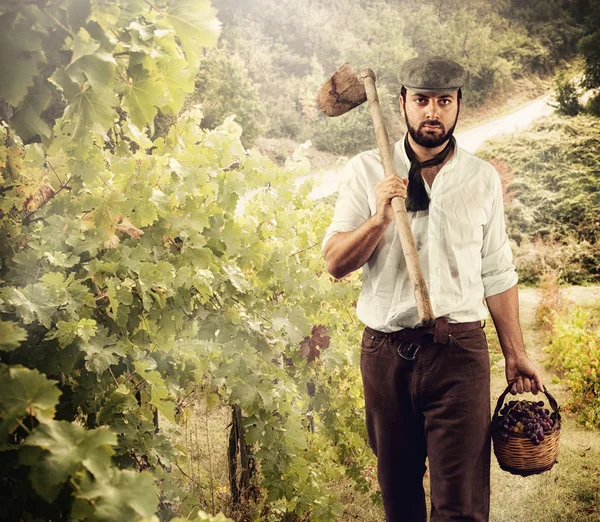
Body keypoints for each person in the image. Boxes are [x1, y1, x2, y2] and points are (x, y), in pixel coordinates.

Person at [321, 56, 545, 522]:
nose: (433, 112)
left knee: (461, 505)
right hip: (385, 353)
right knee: (399, 497)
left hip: (459, 352)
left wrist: (515, 351)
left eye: (444, 101)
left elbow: (497, 272)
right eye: (422, 100)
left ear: (458, 105)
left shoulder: (480, 178)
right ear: (402, 103)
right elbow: (335, 263)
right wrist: (381, 217)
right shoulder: (366, 172)